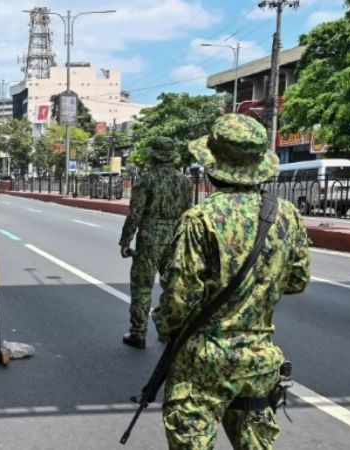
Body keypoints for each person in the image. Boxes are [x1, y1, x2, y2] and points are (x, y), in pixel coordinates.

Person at [153, 114, 310, 449]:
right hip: (258, 361)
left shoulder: (200, 219)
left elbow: (179, 299)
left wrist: (165, 329)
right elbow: (297, 280)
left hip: (203, 361)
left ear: (212, 166)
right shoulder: (287, 215)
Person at [119, 137, 192, 349]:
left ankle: (138, 333)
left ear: (154, 155)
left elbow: (135, 213)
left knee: (142, 287)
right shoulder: (185, 182)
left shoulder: (147, 180)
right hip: (176, 238)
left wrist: (125, 240)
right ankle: (169, 331)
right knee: (173, 286)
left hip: (150, 239)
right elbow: (188, 213)